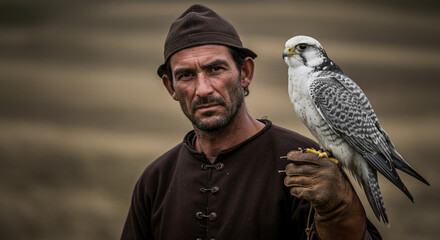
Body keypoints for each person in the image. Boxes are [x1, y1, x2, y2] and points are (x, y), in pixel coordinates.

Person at [121, 4, 381, 240]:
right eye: (186, 75)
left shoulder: (303, 163)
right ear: (171, 87)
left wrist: (340, 211)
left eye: (216, 69)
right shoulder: (155, 180)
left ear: (245, 73)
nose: (203, 89)